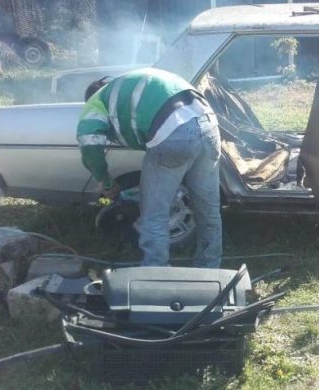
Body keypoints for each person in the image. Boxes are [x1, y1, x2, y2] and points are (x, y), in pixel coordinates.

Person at [77, 67, 222, 268]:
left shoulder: (95, 101)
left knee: (154, 216)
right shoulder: (127, 86)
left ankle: (155, 272)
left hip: (173, 129)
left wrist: (104, 179)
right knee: (208, 209)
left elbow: (89, 144)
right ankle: (210, 267)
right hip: (209, 124)